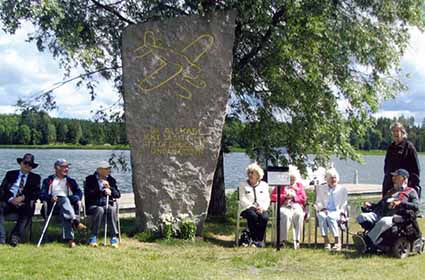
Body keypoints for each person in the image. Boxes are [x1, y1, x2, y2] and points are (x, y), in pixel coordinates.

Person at [353, 168, 420, 253]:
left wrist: (401, 203)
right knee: (361, 217)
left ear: (404, 179)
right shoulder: (391, 191)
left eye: (396, 177)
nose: (393, 179)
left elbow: (416, 206)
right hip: (381, 214)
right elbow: (380, 204)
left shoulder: (411, 191)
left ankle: (367, 242)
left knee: (383, 221)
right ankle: (374, 239)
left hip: (396, 217)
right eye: (393, 177)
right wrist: (371, 205)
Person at [40, 159, 86, 248]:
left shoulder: (71, 181)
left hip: (67, 207)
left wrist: (72, 199)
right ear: (57, 168)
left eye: (67, 167)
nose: (67, 169)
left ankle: (70, 240)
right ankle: (76, 221)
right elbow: (41, 195)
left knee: (65, 208)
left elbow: (79, 193)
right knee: (64, 202)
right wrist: (50, 198)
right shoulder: (48, 180)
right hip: (52, 206)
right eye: (64, 167)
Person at [0, 153, 41, 246]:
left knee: (27, 209)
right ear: (21, 163)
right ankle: (1, 238)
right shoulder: (10, 174)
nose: (27, 165)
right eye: (25, 163)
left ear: (32, 167)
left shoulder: (35, 178)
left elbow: (36, 193)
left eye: (30, 164)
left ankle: (15, 237)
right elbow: (2, 189)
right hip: (9, 202)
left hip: (24, 203)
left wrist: (23, 197)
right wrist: (10, 199)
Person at [84, 161, 121, 248]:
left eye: (109, 168)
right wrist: (101, 190)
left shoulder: (111, 180)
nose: (109, 170)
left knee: (112, 209)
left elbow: (117, 195)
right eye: (106, 169)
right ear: (99, 170)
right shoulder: (90, 179)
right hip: (94, 205)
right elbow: (89, 194)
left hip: (107, 204)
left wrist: (110, 188)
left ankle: (114, 237)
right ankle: (93, 236)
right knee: (100, 210)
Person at [270, 169, 306, 249]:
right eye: (290, 179)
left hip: (296, 205)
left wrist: (294, 197)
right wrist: (284, 197)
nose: (291, 180)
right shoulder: (280, 185)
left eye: (293, 179)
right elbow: (273, 196)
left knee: (299, 215)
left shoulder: (299, 185)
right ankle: (282, 241)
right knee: (285, 215)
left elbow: (303, 198)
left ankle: (297, 240)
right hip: (284, 205)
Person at [383, 122, 420, 196]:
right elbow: (386, 166)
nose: (395, 133)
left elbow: (416, 170)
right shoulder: (391, 148)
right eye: (393, 131)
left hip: (404, 186)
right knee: (386, 205)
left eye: (397, 131)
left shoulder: (409, 147)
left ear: (402, 132)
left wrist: (410, 186)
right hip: (390, 184)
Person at [314, 168, 348, 251]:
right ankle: (326, 241)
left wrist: (342, 213)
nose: (333, 180)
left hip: (337, 211)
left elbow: (344, 203)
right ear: (327, 179)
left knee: (331, 217)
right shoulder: (322, 188)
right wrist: (322, 208)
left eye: (335, 178)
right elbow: (318, 202)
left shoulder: (342, 189)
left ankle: (337, 241)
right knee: (321, 216)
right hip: (324, 210)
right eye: (331, 178)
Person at [238, 163, 270, 247]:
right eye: (249, 172)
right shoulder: (242, 185)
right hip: (247, 208)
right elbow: (242, 199)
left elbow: (267, 199)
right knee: (253, 216)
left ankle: (259, 240)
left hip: (261, 208)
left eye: (252, 173)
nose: (250, 175)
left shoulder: (264, 185)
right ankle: (255, 239)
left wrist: (263, 208)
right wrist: (252, 207)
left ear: (258, 175)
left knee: (264, 217)